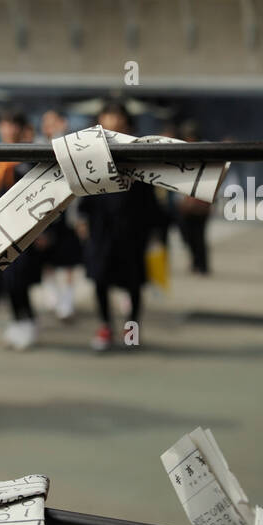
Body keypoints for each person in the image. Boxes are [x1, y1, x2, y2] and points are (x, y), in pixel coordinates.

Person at [76, 100, 164, 352]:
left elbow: (148, 189)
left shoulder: (137, 148)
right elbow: (84, 186)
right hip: (100, 225)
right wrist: (82, 217)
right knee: (100, 278)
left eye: (116, 115)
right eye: (107, 115)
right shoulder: (90, 149)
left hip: (132, 224)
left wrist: (154, 228)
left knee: (133, 279)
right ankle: (105, 326)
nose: (112, 120)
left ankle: (132, 327)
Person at [0, 111, 43, 351]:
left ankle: (28, 322)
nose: (7, 129)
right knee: (6, 279)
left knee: (20, 279)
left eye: (12, 123)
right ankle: (15, 322)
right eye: (4, 123)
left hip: (24, 231)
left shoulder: (30, 157)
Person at [38, 108, 82, 320]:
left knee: (67, 262)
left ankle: (66, 302)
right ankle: (55, 297)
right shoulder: (37, 147)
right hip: (47, 214)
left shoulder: (73, 146)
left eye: (53, 122)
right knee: (47, 260)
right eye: (46, 123)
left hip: (67, 214)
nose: (49, 127)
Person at [176, 119, 212, 275]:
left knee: (199, 236)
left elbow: (209, 179)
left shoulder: (205, 153)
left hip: (201, 203)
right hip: (184, 204)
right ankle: (195, 261)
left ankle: (202, 265)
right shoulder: (179, 151)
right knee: (188, 237)